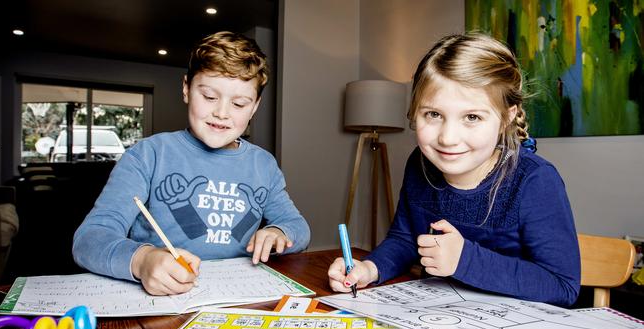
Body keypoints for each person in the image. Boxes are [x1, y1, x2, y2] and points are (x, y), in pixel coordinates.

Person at [328, 33, 580, 307]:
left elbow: (562, 286)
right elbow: (405, 239)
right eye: (433, 114)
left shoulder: (534, 180)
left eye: (472, 117)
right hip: (438, 320)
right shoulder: (420, 164)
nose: (447, 138)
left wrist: (464, 260)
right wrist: (369, 269)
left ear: (507, 117)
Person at [73, 31, 310, 295]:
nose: (221, 113)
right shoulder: (149, 155)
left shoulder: (263, 165)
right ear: (186, 89)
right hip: (162, 301)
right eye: (209, 97)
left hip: (238, 296)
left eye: (239, 103)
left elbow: (298, 228)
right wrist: (141, 260)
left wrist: (279, 230)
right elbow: (88, 240)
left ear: (254, 106)